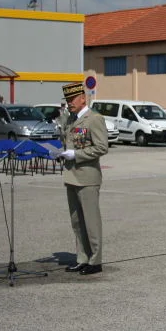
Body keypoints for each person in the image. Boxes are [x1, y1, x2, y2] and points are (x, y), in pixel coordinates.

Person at [59, 82, 109, 275]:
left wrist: (76, 155)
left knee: (90, 221)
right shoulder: (71, 119)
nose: (69, 103)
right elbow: (69, 142)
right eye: (67, 100)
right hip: (72, 176)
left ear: (83, 98)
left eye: (72, 99)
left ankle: (95, 260)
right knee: (77, 222)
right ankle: (82, 258)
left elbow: (101, 147)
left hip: (87, 177)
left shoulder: (94, 119)